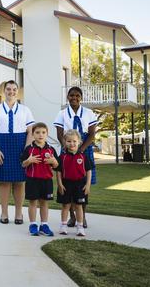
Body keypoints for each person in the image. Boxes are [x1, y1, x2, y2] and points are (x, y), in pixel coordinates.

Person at [0, 80, 35, 224]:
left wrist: (27, 149)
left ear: (17, 91)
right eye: (8, 89)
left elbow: (30, 131)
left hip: (20, 146)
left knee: (20, 182)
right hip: (2, 146)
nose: (11, 92)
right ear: (4, 91)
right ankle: (4, 213)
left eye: (14, 89)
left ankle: (19, 214)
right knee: (4, 182)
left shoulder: (25, 110)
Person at [54, 86, 97, 228]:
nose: (74, 98)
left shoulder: (89, 113)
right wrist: (66, 148)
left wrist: (81, 149)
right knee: (67, 183)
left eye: (77, 95)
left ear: (81, 97)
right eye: (72, 95)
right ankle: (71, 217)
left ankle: (82, 217)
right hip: (67, 147)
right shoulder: (62, 113)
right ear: (68, 97)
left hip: (84, 147)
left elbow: (91, 134)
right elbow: (60, 134)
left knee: (82, 183)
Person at [20, 122, 58, 237]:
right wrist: (29, 160)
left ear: (47, 134)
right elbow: (22, 164)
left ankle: (44, 225)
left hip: (46, 181)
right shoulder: (29, 149)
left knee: (44, 203)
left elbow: (57, 166)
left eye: (43, 132)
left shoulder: (51, 149)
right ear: (33, 134)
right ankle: (33, 224)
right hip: (32, 180)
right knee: (33, 203)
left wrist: (54, 162)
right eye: (37, 132)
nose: (40, 135)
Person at [56, 130, 92, 237]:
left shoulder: (83, 156)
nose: (72, 144)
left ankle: (80, 227)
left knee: (78, 206)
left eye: (74, 141)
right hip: (66, 184)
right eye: (69, 141)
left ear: (79, 142)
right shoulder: (62, 157)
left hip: (80, 184)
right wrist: (60, 184)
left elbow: (89, 171)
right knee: (65, 205)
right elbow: (58, 171)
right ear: (65, 142)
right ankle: (63, 226)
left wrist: (88, 184)